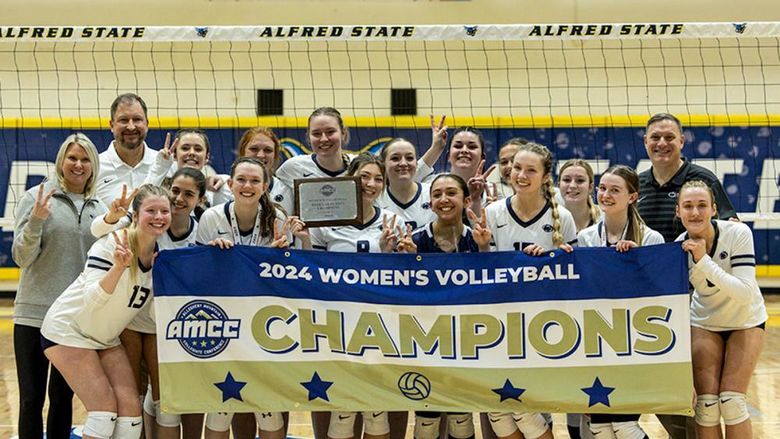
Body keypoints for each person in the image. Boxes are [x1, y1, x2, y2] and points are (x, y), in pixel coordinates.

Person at [40, 184, 172, 439]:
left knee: (132, 414)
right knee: (103, 412)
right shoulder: (113, 243)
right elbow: (92, 300)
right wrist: (118, 269)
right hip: (69, 331)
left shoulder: (159, 259)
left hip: (105, 338)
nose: (158, 217)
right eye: (151, 210)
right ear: (135, 215)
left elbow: (153, 312)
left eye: (164, 211)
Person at [92, 168, 207, 439]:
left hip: (164, 324)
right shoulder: (144, 220)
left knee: (164, 398)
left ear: (200, 199)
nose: (179, 199)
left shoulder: (202, 228)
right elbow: (98, 229)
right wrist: (111, 216)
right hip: (129, 316)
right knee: (132, 394)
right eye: (175, 191)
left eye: (188, 194)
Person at [12, 133, 106, 439]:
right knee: (31, 399)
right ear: (61, 162)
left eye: (85, 159)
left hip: (72, 320)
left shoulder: (100, 207)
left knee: (63, 399)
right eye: (72, 158)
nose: (78, 165)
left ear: (93, 165)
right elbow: (21, 258)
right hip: (33, 315)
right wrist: (36, 220)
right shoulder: (36, 197)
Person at [482, 142, 577, 439]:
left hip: (541, 323)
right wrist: (484, 246)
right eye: (516, 168)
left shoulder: (562, 217)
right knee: (496, 406)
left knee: (531, 405)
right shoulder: (493, 212)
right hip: (497, 319)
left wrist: (549, 260)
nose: (520, 174)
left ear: (546, 176)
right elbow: (484, 271)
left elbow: (572, 274)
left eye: (530, 170)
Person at [300, 153, 397, 439]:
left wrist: (389, 252)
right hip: (336, 325)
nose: (371, 183)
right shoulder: (324, 220)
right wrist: (305, 239)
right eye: (364, 176)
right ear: (350, 178)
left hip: (379, 326)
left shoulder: (393, 220)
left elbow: (402, 278)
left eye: (378, 179)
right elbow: (311, 272)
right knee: (342, 409)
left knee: (376, 410)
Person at [196, 157, 292, 439]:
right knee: (221, 406)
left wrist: (277, 258)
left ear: (265, 186)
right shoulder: (211, 218)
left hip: (265, 324)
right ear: (230, 184)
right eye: (241, 180)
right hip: (224, 322)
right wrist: (213, 256)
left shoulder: (278, 220)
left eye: (254, 181)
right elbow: (201, 277)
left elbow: (288, 280)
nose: (247, 186)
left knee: (268, 404)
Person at [396, 173, 492, 439]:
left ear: (467, 199)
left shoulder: (480, 237)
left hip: (468, 339)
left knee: (461, 418)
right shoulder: (414, 240)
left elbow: (493, 288)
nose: (444, 199)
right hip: (425, 340)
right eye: (437, 194)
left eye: (451, 193)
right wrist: (407, 262)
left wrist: (485, 251)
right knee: (427, 418)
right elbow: (400, 292)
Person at [577, 165, 664, 439]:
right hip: (598, 339)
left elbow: (663, 293)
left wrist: (640, 262)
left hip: (635, 339)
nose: (606, 194)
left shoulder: (651, 239)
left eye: (615, 190)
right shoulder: (585, 238)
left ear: (632, 197)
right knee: (601, 427)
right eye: (602, 188)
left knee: (624, 425)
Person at [676, 180, 766, 439]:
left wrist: (703, 260)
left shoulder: (737, 234)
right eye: (688, 206)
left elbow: (745, 293)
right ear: (678, 211)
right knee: (706, 406)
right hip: (705, 322)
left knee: (732, 401)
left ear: (714, 209)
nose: (695, 213)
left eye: (702, 205)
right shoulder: (678, 246)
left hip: (746, 320)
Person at [638, 112, 737, 243]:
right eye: (655, 137)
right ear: (646, 141)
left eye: (669, 137)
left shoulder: (704, 180)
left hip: (694, 262)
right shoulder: (636, 184)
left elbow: (730, 229)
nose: (661, 143)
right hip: (648, 262)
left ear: (681, 141)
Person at [96, 93, 158, 205]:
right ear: (111, 125)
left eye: (137, 119)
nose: (131, 127)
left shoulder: (165, 165)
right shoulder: (95, 168)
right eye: (123, 120)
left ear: (147, 124)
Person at [378, 137, 436, 231]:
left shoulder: (432, 193)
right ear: (383, 164)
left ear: (417, 163)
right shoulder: (376, 199)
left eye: (409, 158)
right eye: (395, 158)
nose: (403, 163)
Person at [558, 159, 600, 233]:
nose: (572, 186)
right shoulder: (548, 219)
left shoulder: (604, 218)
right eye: (567, 180)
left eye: (580, 180)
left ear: (590, 187)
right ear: (559, 186)